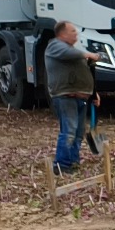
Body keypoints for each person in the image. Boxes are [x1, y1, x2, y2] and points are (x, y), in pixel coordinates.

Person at [43, 21, 100, 175]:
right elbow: (71, 54)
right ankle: (61, 165)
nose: (76, 34)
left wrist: (93, 94)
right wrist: (88, 54)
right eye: (73, 31)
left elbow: (86, 73)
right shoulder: (55, 46)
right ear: (62, 34)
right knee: (69, 131)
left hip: (80, 97)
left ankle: (73, 162)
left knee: (78, 132)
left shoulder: (71, 50)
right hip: (65, 96)